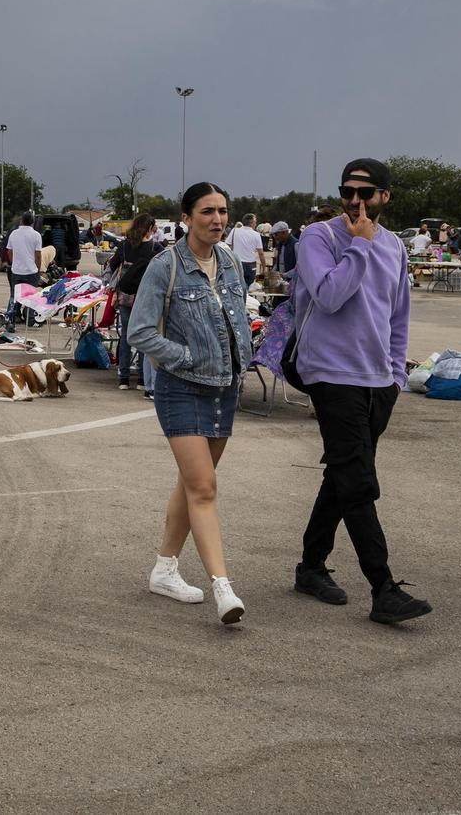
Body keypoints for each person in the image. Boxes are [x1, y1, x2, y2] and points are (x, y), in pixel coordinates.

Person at [291, 158, 431, 626]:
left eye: (366, 193)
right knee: (357, 477)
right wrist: (360, 246)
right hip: (330, 374)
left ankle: (311, 567)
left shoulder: (395, 247)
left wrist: (394, 377)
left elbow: (398, 317)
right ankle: (383, 586)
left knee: (342, 474)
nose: (356, 201)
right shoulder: (321, 237)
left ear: (385, 197)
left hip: (378, 381)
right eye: (348, 191)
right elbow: (330, 295)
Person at [126, 183, 251, 626]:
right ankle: (223, 588)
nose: (217, 220)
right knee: (203, 488)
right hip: (181, 389)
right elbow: (139, 333)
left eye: (222, 211)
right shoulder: (165, 266)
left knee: (192, 483)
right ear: (186, 217)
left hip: (224, 388)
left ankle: (164, 569)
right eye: (206, 212)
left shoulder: (232, 262)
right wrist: (184, 357)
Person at [108, 213, 158, 393]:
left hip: (124, 295)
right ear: (151, 227)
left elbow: (112, 265)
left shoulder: (124, 245)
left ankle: (123, 377)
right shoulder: (155, 247)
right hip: (144, 297)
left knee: (127, 337)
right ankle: (143, 380)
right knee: (143, 336)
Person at [5, 213, 43, 326]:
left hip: (16, 270)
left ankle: (11, 317)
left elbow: (9, 251)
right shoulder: (36, 235)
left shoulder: (13, 234)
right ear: (33, 222)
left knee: (14, 295)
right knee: (31, 296)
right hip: (31, 270)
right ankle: (30, 319)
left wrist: (13, 263)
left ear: (21, 221)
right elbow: (38, 254)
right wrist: (38, 268)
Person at [226, 213, 264, 287]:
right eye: (255, 222)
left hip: (237, 263)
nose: (255, 224)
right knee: (250, 288)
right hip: (251, 265)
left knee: (237, 287)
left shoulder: (234, 231)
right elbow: (261, 253)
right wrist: (264, 267)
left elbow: (226, 246)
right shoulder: (256, 235)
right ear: (251, 223)